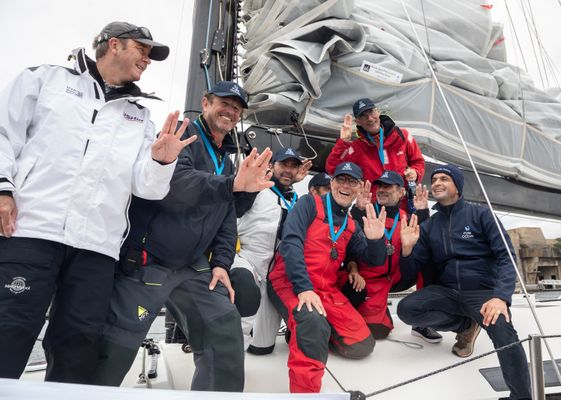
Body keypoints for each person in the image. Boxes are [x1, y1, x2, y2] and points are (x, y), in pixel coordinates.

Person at [0, 21, 195, 384]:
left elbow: (148, 188)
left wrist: (162, 161)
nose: (148, 60)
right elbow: (3, 134)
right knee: (8, 331)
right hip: (30, 230)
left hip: (97, 248)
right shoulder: (45, 81)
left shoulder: (141, 116)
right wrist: (3, 189)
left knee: (79, 346)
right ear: (115, 45)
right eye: (143, 49)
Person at [92, 80, 274, 392]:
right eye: (224, 103)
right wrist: (232, 185)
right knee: (117, 345)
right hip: (149, 262)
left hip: (193, 266)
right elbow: (176, 187)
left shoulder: (228, 159)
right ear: (205, 102)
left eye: (236, 108)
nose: (229, 111)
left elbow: (226, 217)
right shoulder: (181, 135)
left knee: (224, 327)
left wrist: (221, 263)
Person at [397, 164, 531, 400]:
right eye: (434, 179)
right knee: (406, 309)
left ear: (457, 187)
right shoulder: (429, 226)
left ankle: (520, 397)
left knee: (503, 334)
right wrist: (407, 250)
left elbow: (506, 256)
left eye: (444, 179)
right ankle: (465, 326)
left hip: (483, 294)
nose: (437, 182)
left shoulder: (481, 214)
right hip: (448, 292)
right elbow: (410, 272)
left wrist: (500, 297)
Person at [268, 161, 388, 393]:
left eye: (352, 182)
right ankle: (306, 394)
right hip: (290, 283)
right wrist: (303, 288)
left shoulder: (352, 225)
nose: (345, 185)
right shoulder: (308, 204)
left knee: (362, 345)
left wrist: (377, 240)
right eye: (340, 179)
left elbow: (371, 260)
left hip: (326, 291)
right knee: (312, 323)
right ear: (332, 183)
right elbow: (291, 242)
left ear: (359, 187)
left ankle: (308, 334)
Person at [340, 170, 439, 341]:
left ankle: (422, 322)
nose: (382, 190)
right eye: (380, 186)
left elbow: (423, 243)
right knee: (378, 331)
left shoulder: (408, 219)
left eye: (388, 186)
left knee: (429, 258)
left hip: (396, 277)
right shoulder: (366, 213)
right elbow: (349, 248)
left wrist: (422, 213)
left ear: (401, 192)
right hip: (367, 279)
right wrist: (357, 211)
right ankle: (369, 309)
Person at [231, 147, 309, 355]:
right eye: (284, 165)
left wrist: (289, 187)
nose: (288, 171)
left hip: (275, 273)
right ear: (272, 166)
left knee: (261, 347)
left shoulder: (296, 200)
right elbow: (235, 210)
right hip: (248, 259)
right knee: (244, 289)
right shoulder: (257, 189)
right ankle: (226, 355)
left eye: (294, 167)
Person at [325, 98, 425, 212]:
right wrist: (344, 141)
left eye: (371, 112)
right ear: (358, 122)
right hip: (373, 207)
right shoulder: (357, 147)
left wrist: (416, 173)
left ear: (378, 112)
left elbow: (418, 162)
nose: (370, 118)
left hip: (403, 205)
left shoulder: (402, 136)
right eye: (363, 116)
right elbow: (332, 169)